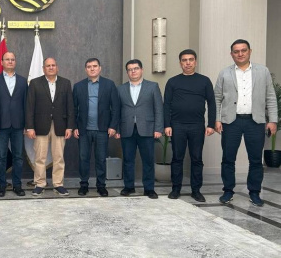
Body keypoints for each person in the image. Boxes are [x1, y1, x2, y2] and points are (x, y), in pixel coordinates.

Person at [214, 39, 278, 207]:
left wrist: (272, 120)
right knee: (228, 158)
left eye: (243, 50)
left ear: (250, 51)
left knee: (256, 159)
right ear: (231, 54)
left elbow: (270, 96)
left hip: (255, 121)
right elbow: (217, 98)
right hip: (231, 122)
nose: (240, 54)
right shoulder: (224, 73)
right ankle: (228, 191)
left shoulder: (263, 71)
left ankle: (254, 192)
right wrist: (217, 119)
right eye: (236, 51)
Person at [164, 49, 215, 202]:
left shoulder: (204, 81)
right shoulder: (172, 82)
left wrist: (211, 124)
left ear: (195, 62)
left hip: (197, 126)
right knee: (177, 158)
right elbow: (166, 105)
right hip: (177, 125)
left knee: (197, 158)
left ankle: (196, 190)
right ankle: (176, 189)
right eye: (184, 60)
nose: (188, 63)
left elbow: (212, 103)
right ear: (180, 63)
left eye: (191, 59)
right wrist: (167, 125)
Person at [26, 57, 75, 197]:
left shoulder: (65, 83)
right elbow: (29, 106)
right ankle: (40, 184)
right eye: (48, 65)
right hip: (40, 126)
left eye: (53, 65)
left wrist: (69, 127)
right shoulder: (35, 83)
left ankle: (58, 184)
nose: (51, 67)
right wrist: (30, 127)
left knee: (59, 157)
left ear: (57, 67)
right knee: (40, 157)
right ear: (43, 69)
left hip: (60, 126)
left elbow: (70, 106)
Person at [115, 59, 163, 199]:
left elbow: (159, 109)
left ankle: (149, 188)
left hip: (147, 129)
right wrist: (117, 129)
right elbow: (116, 111)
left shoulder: (152, 86)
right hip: (127, 129)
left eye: (136, 68)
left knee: (148, 160)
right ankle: (129, 187)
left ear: (141, 70)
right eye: (130, 69)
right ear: (127, 72)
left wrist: (158, 128)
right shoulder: (120, 89)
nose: (133, 71)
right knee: (128, 160)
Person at [73, 58, 120, 197]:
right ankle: (84, 185)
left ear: (100, 68)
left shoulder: (109, 85)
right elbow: (73, 108)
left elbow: (115, 107)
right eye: (89, 66)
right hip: (83, 130)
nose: (92, 69)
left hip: (102, 129)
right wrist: (74, 126)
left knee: (101, 159)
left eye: (94, 66)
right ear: (85, 69)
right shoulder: (78, 86)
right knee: (83, 158)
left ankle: (101, 185)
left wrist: (113, 126)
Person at [0, 51, 28, 197]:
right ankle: (2, 186)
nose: (10, 61)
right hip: (1, 125)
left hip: (18, 125)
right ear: (2, 62)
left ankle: (17, 185)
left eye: (12, 59)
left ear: (15, 62)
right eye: (7, 59)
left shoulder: (23, 81)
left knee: (18, 157)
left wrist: (27, 124)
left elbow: (26, 104)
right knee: (1, 157)